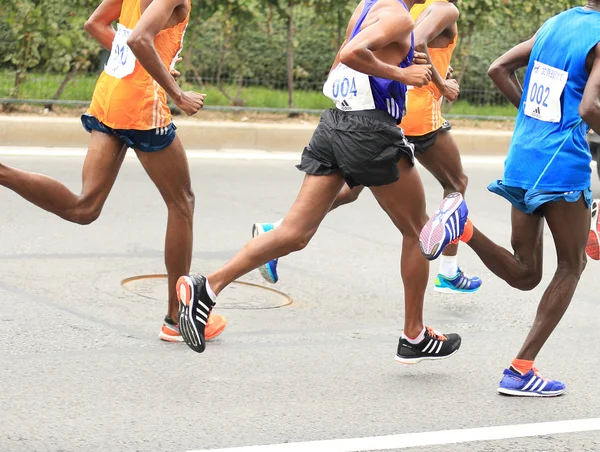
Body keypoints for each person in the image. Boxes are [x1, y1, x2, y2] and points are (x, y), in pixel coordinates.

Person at [176, 0, 463, 364]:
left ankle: (208, 287)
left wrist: (403, 65)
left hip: (337, 123)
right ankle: (414, 336)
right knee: (419, 231)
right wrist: (403, 76)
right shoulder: (398, 15)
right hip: (369, 130)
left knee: (295, 233)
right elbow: (350, 53)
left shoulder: (369, 5)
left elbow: (350, 64)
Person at [0, 0, 226, 343]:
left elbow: (96, 25)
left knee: (84, 207)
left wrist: (155, 64)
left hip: (111, 96)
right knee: (182, 203)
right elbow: (139, 40)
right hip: (140, 106)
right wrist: (176, 93)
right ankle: (176, 319)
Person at [419, 3, 600, 396]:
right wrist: (558, 127)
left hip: (524, 154)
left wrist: (536, 122)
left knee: (526, 273)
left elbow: (497, 69)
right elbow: (590, 107)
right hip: (560, 164)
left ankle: (462, 228)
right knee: (572, 264)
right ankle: (521, 369)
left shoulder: (556, 23)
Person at [252, 0, 482, 295]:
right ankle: (448, 273)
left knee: (351, 188)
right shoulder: (445, 8)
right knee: (456, 183)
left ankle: (279, 233)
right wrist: (441, 84)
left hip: (385, 110)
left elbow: (405, 46)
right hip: (416, 113)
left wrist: (436, 67)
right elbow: (417, 41)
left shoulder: (400, 7)